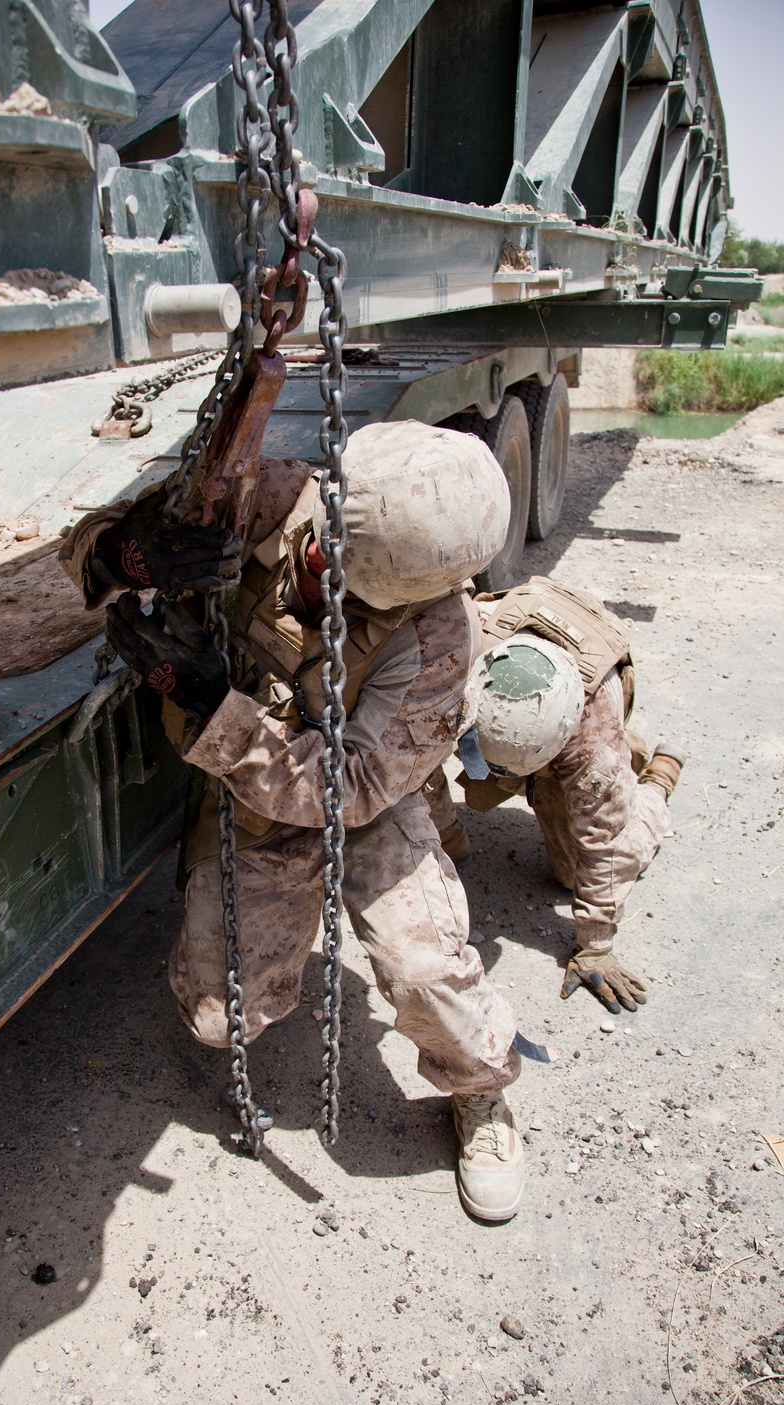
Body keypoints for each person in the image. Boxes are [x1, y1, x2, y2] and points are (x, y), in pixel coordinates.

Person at [59, 422, 534, 1223]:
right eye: (319, 541)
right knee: (219, 1018)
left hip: (363, 805)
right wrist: (125, 557)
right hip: (251, 792)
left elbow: (351, 790)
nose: (312, 561)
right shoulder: (273, 494)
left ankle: (482, 1091)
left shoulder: (442, 640)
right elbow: (83, 544)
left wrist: (214, 706)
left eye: (338, 572)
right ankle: (282, 935)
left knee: (423, 971)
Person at [422, 577, 684, 1014]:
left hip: (587, 728)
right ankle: (452, 831)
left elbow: (605, 848)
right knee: (418, 755)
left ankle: (655, 782)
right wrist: (442, 837)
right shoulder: (461, 646)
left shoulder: (589, 748)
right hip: (514, 673)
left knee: (573, 873)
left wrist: (595, 946)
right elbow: (411, 754)